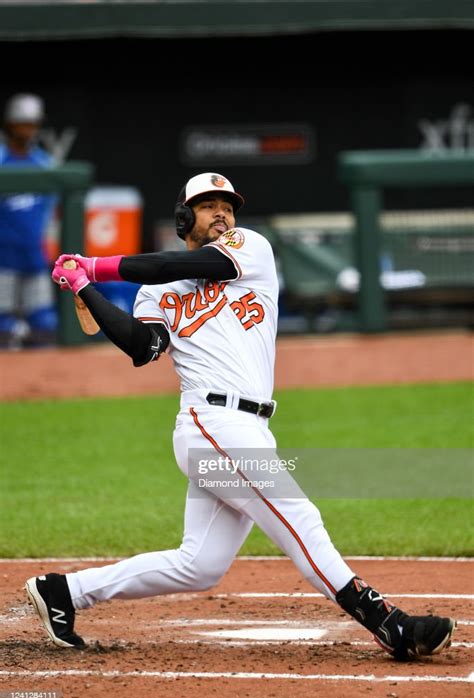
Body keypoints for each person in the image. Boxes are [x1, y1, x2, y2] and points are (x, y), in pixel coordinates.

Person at [25, 172, 455, 661]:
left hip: (245, 428)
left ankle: (63, 591)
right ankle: (389, 624)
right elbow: (143, 347)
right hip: (211, 424)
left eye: (227, 205)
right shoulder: (154, 294)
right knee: (299, 516)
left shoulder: (248, 247)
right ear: (185, 216)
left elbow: (173, 262)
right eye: (208, 206)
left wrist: (97, 267)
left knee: (200, 565)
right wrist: (85, 287)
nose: (221, 213)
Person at [0, 93, 58, 348]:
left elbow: (50, 214)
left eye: (33, 124)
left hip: (34, 258)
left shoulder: (43, 163)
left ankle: (41, 386)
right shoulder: (1, 159)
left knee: (44, 328)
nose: (28, 130)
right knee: (4, 331)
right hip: (2, 260)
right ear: (10, 124)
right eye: (23, 123)